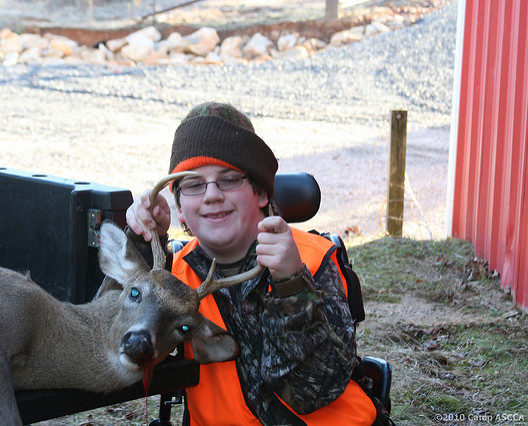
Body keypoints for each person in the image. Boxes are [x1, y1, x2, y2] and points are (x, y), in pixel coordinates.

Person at [126, 102, 378, 425]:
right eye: (193, 184)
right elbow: (124, 353)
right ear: (179, 207)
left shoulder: (312, 259)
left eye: (229, 179)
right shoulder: (175, 274)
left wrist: (291, 285)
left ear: (261, 193)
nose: (212, 195)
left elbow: (311, 390)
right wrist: (143, 244)